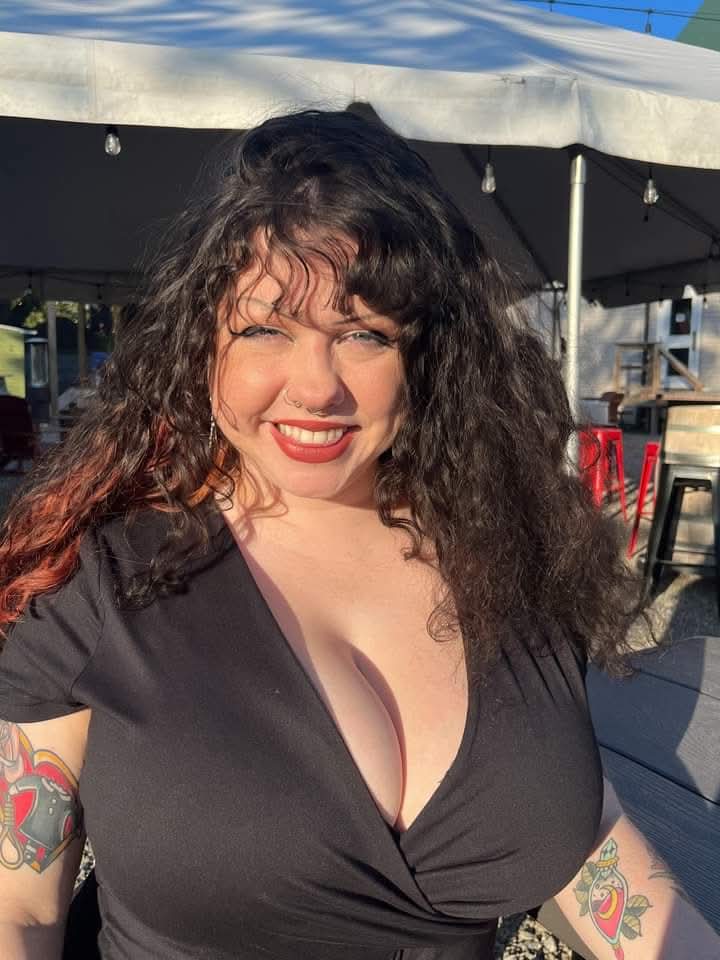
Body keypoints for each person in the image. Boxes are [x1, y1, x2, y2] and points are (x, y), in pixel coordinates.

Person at [0, 109, 716, 960]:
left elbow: (582, 832)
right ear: (200, 344)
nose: (317, 387)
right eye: (264, 327)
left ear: (427, 355)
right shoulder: (101, 585)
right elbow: (21, 909)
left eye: (364, 334)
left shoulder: (509, 562)